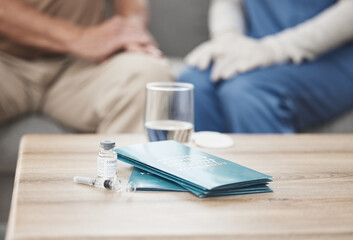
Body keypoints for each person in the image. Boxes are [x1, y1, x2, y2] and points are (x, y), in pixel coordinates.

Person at [179, 0, 353, 133]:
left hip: (329, 56)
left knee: (247, 92)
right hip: (253, 44)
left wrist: (274, 49)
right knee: (192, 84)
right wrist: (227, 37)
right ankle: (207, 177)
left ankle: (278, 179)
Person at [0, 0, 172, 133]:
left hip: (81, 65)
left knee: (147, 75)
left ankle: (118, 177)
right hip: (6, 63)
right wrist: (77, 38)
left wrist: (130, 31)